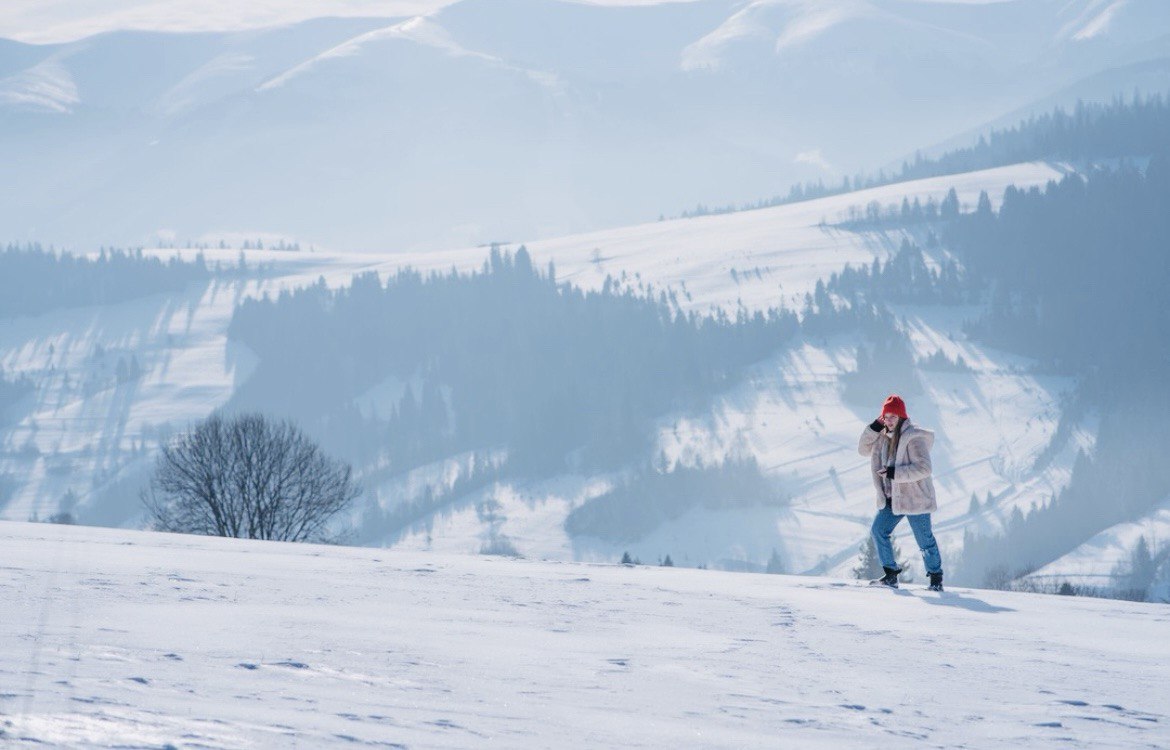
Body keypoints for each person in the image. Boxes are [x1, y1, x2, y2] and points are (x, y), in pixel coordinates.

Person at [858, 394, 944, 591]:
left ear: (902, 417)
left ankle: (936, 579)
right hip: (892, 498)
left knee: (924, 540)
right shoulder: (881, 437)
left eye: (893, 417)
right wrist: (873, 427)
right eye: (885, 416)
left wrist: (893, 473)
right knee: (878, 530)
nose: (888, 420)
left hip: (915, 498)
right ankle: (891, 574)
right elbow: (863, 449)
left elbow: (924, 468)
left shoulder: (913, 438)